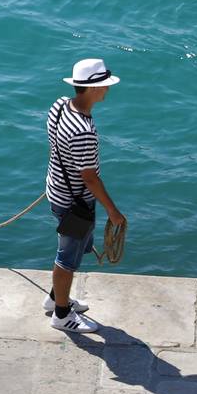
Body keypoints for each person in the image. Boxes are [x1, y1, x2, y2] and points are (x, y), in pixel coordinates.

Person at [44, 58, 126, 333]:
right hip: (73, 203)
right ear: (92, 89)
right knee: (67, 258)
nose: (107, 90)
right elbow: (89, 177)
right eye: (104, 86)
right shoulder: (84, 132)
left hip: (56, 188)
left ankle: (57, 297)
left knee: (73, 250)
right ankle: (61, 314)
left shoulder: (59, 106)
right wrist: (113, 212)